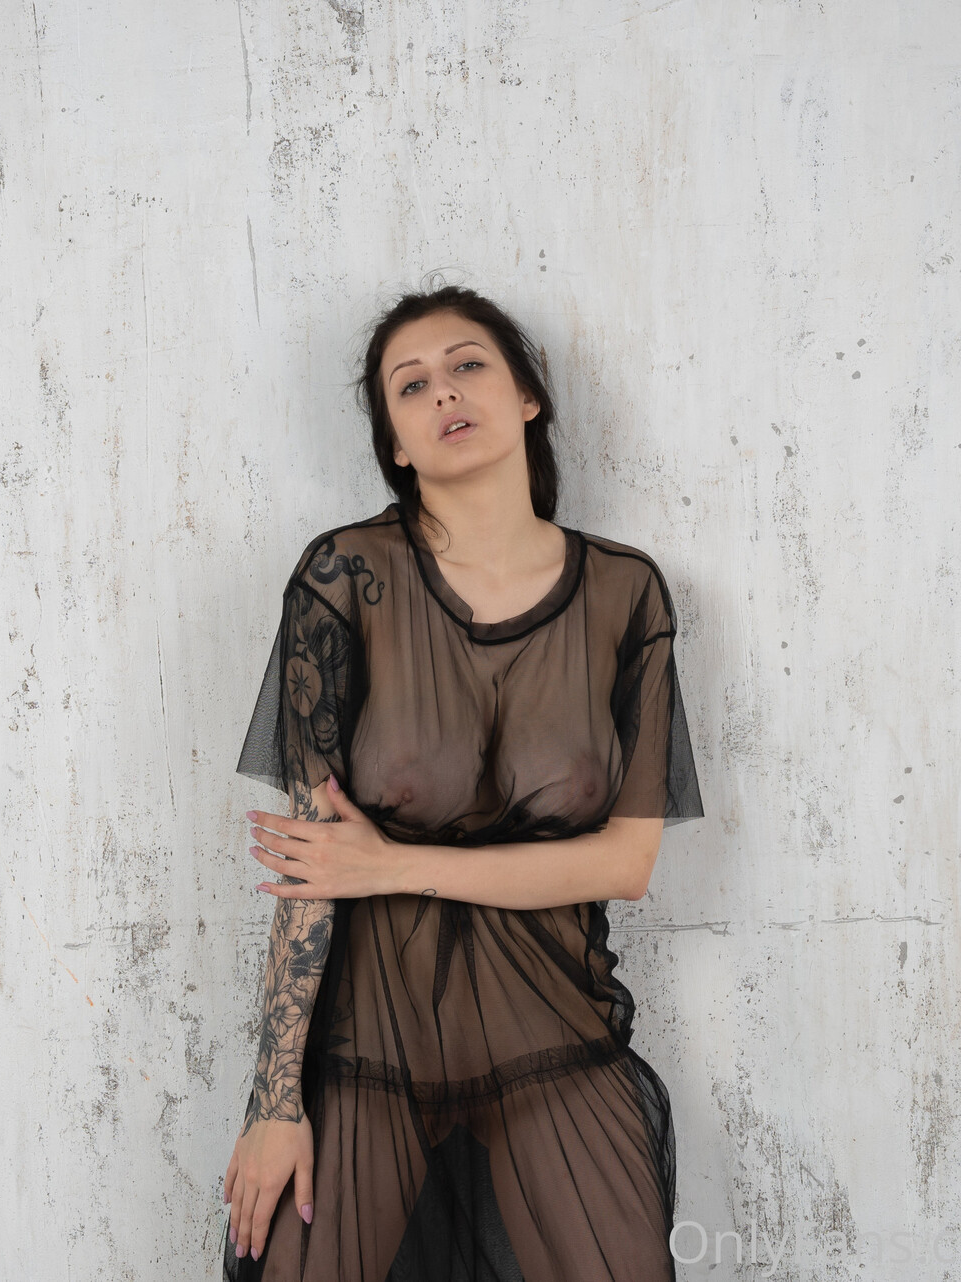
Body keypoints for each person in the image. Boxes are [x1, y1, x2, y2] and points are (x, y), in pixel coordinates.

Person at [220, 283, 705, 1280]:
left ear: (528, 396)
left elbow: (625, 863)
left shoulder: (626, 592)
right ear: (395, 445)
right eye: (411, 385)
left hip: (554, 1028)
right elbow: (315, 870)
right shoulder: (342, 577)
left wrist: (396, 864)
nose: (443, 390)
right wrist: (275, 1102)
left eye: (467, 364)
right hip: (367, 1041)